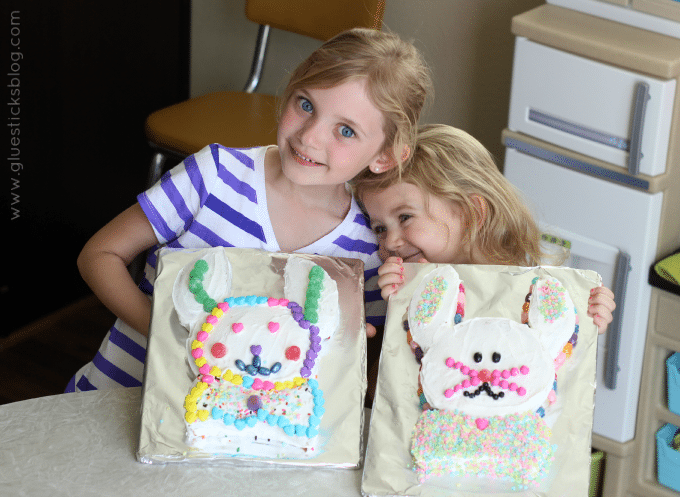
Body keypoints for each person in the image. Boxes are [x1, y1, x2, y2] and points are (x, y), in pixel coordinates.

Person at [66, 28, 432, 393]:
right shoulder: (214, 175)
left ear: (385, 156)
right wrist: (172, 338)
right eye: (305, 104)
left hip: (243, 441)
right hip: (118, 397)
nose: (309, 136)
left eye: (346, 131)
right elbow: (99, 254)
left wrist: (351, 349)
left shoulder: (366, 251)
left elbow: (353, 374)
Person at [353, 124, 616, 334]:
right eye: (379, 228)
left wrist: (587, 316)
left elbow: (558, 351)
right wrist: (402, 305)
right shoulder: (391, 284)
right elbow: (389, 383)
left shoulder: (532, 287)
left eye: (405, 217)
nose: (389, 242)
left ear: (470, 213)